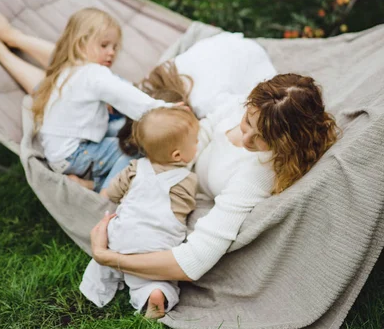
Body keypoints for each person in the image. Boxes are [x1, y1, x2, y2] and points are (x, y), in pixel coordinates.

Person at [90, 72, 339, 285]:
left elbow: (194, 261)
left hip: (173, 173)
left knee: (108, 151)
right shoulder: (235, 106)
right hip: (170, 160)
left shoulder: (258, 173)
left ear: (284, 144)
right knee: (108, 114)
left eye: (262, 138)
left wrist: (108, 257)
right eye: (248, 121)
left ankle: (88, 181)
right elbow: (205, 131)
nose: (247, 139)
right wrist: (166, 154)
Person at [0, 4, 173, 193]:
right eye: (104, 45)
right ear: (81, 44)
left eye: (115, 47)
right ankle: (106, 191)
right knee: (132, 150)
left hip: (61, 154)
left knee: (67, 77)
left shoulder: (70, 72)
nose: (112, 52)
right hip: (77, 154)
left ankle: (5, 40)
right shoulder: (94, 74)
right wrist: (160, 110)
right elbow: (126, 96)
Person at [80, 106, 199, 318]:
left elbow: (112, 192)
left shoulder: (134, 168)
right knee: (154, 278)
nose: (197, 145)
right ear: (178, 155)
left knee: (103, 263)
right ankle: (154, 294)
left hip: (122, 234)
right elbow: (186, 208)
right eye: (195, 142)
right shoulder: (187, 180)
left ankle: (95, 290)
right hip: (155, 245)